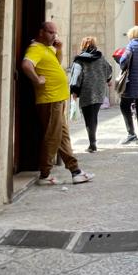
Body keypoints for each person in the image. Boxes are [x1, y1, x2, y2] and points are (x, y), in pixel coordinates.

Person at [21, 21, 93, 185]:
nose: (54, 36)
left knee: (63, 137)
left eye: (55, 33)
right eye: (50, 32)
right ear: (41, 32)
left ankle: (75, 171)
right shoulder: (35, 49)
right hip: (50, 99)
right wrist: (37, 80)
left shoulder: (47, 49)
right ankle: (45, 174)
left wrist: (59, 49)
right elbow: (26, 65)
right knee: (53, 137)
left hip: (58, 99)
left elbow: (56, 63)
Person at [69, 36, 112, 153]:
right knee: (94, 116)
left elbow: (76, 77)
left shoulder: (79, 60)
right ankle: (93, 141)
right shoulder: (101, 57)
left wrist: (74, 91)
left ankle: (92, 144)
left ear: (83, 45)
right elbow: (109, 70)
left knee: (88, 118)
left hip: (86, 92)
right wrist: (108, 80)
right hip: (99, 91)